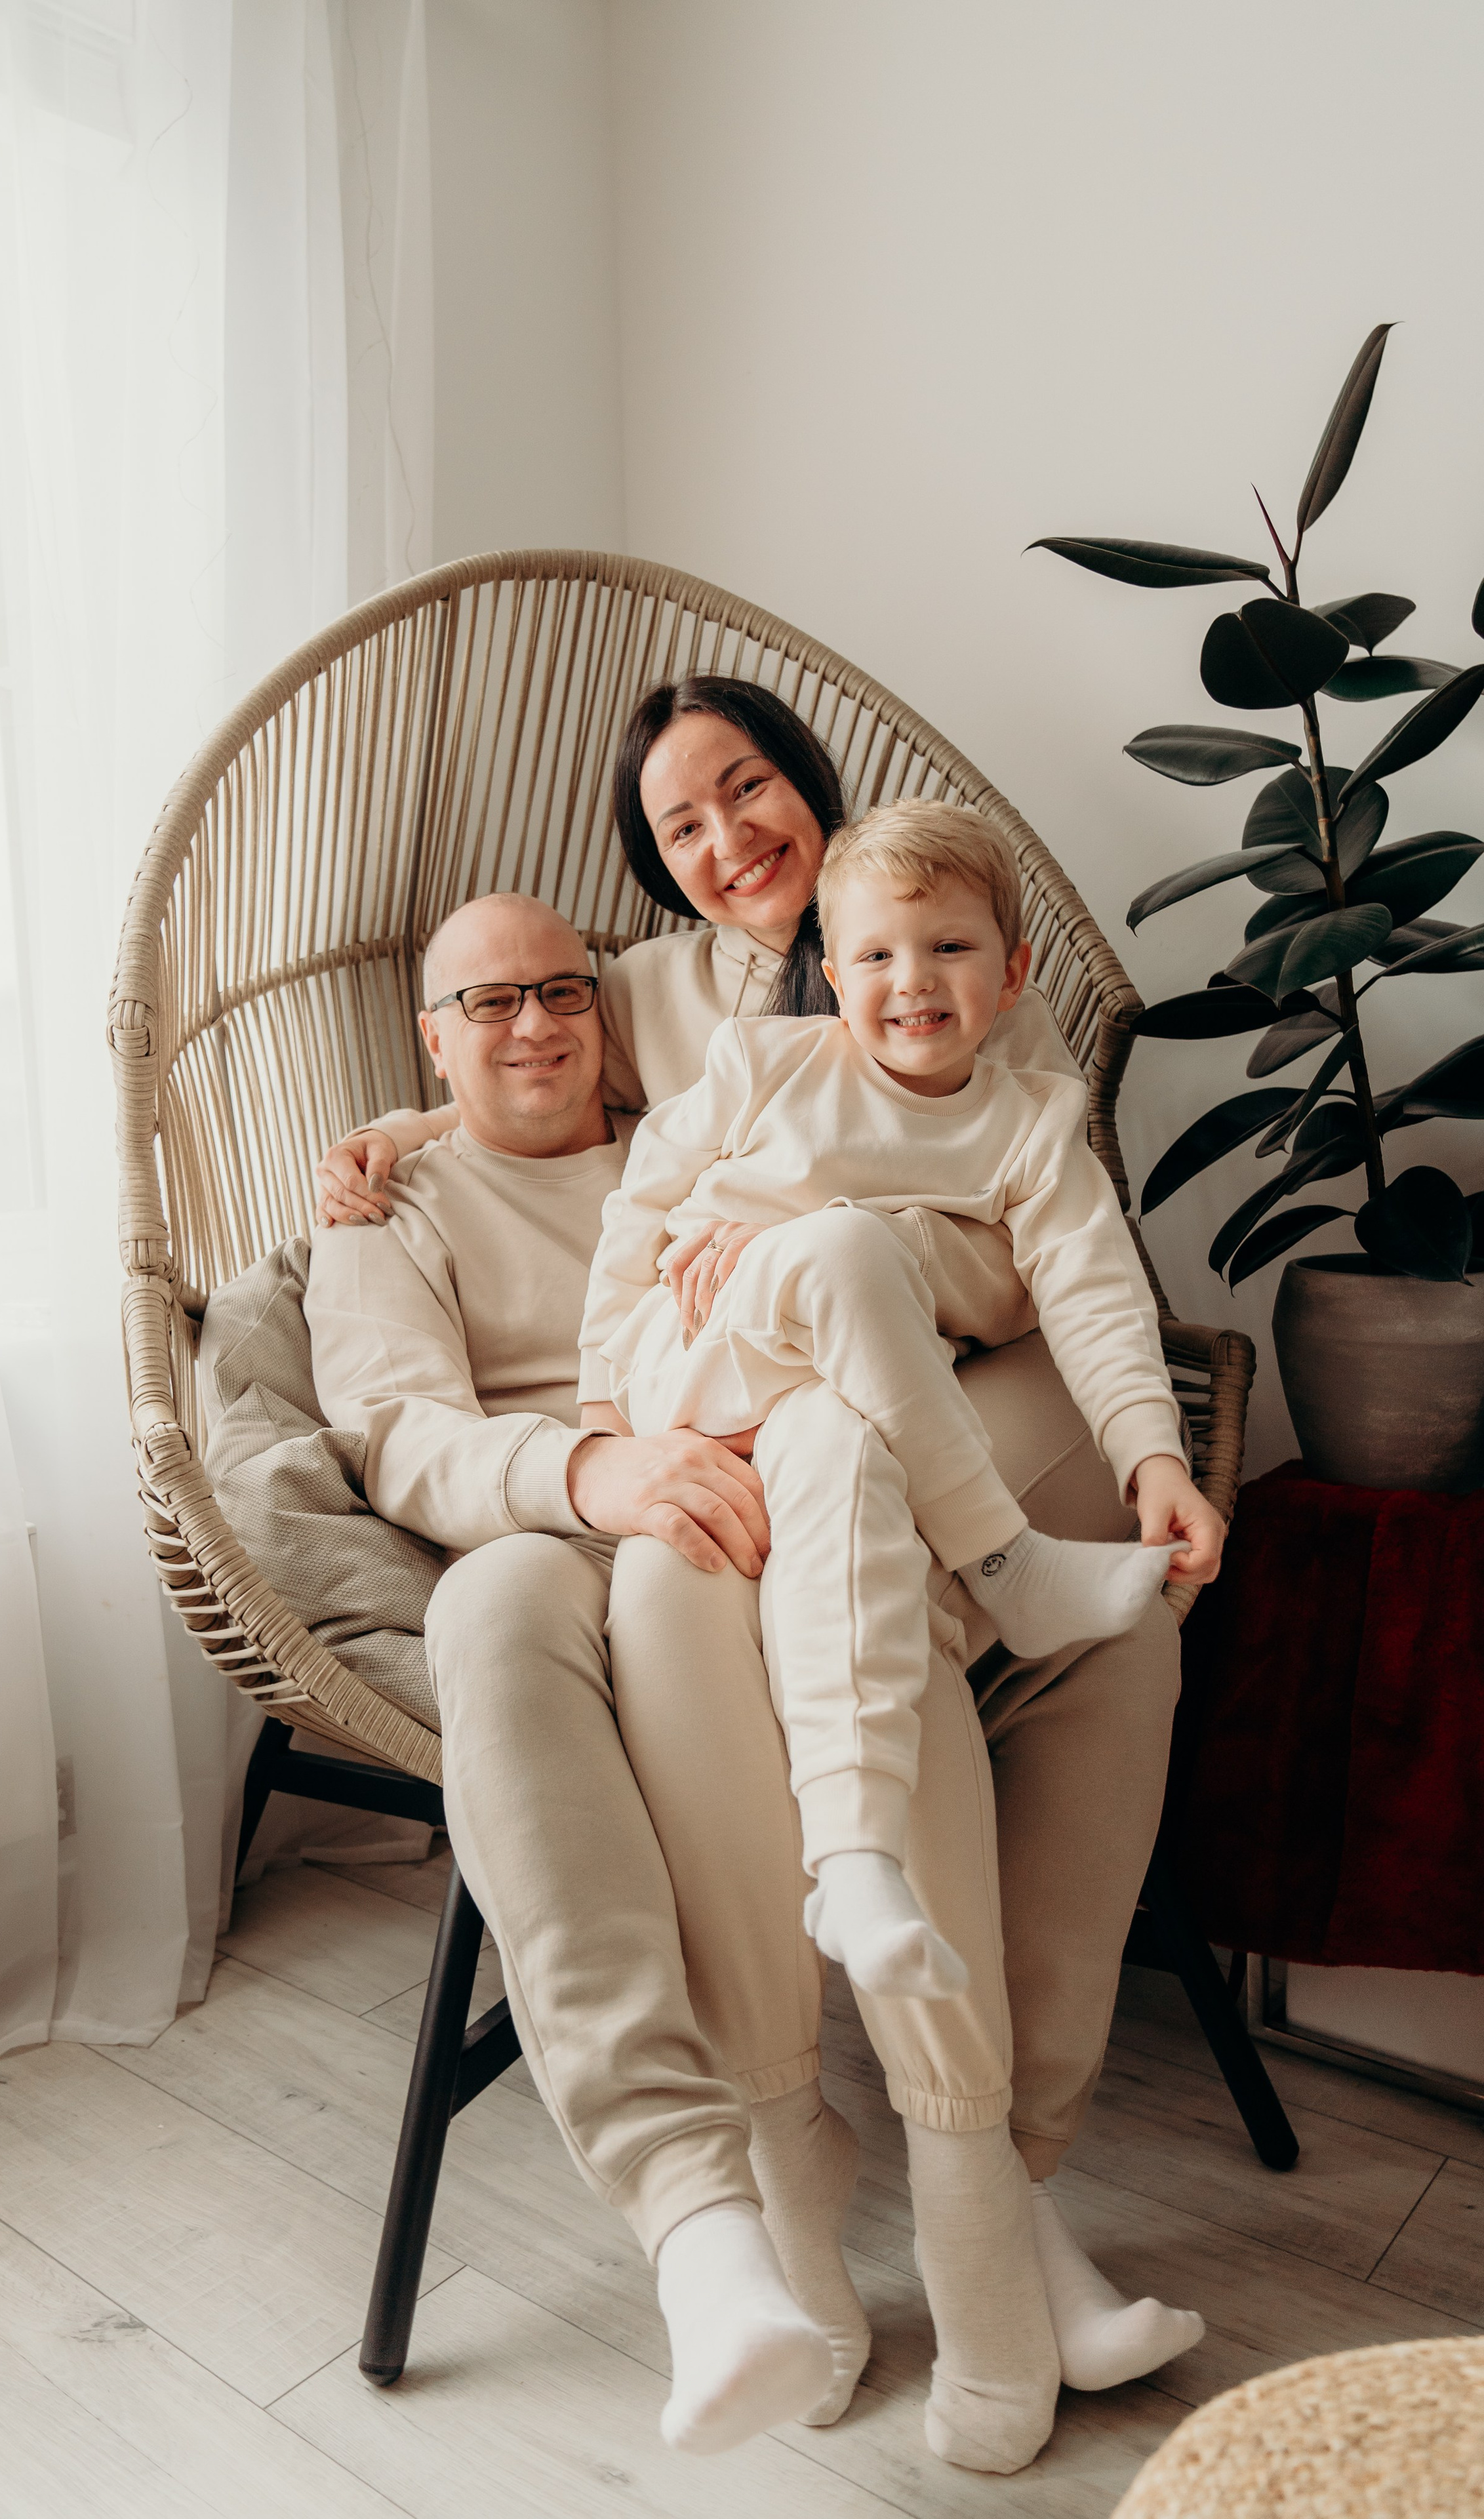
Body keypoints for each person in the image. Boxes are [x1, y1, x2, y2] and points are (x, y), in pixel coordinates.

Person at [311, 679, 1209, 2448]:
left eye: (559, 987)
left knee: (891, 1548)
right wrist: (412, 1143)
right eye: (682, 827)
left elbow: (1052, 1252)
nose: (729, 844)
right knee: (643, 1584)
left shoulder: (867, 1015)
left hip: (851, 1428)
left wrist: (862, 1280)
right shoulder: (667, 1027)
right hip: (634, 1462)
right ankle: (741, 2192)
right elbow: (537, 1138)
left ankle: (991, 2185)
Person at [578, 796, 1225, 2012]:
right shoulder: (764, 1064)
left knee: (854, 1457)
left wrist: (1153, 1460)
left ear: (1015, 970)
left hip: (837, 1390)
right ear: (829, 974)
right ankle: (1008, 1559)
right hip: (702, 1357)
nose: (910, 983)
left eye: (949, 948)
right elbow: (635, 1211)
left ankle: (858, 1860)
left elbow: (1095, 1296)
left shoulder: (1033, 1125)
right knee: (845, 1252)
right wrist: (605, 1411)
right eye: (874, 955)